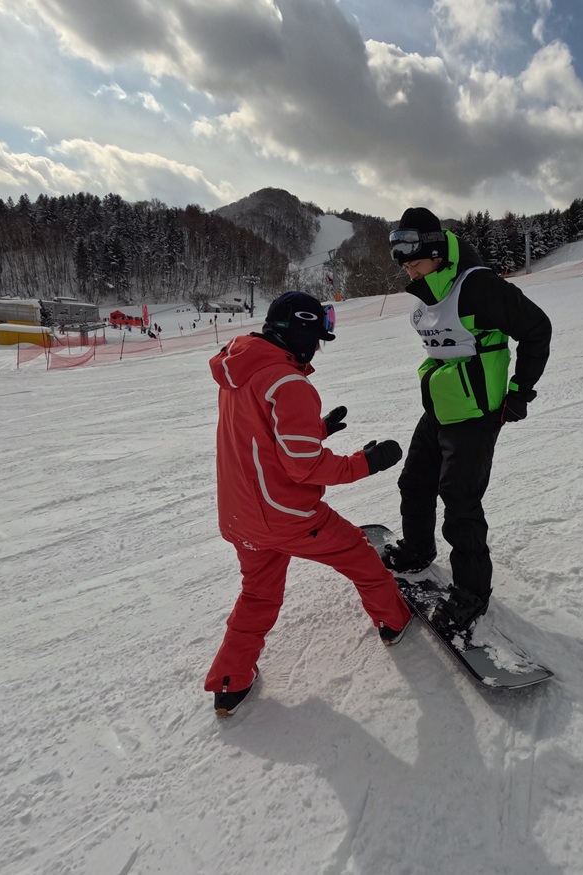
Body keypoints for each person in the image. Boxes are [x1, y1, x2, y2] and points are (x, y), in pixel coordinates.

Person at [204, 291, 412, 716]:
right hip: (288, 517)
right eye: (317, 337)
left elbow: (261, 437)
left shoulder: (240, 371)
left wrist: (316, 427)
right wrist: (366, 463)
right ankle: (394, 620)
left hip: (241, 515)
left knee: (258, 595)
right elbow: (304, 467)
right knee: (359, 554)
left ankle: (230, 682)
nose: (317, 347)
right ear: (299, 333)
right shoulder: (288, 382)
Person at [383, 207, 552, 633]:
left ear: (438, 253)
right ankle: (418, 551)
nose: (408, 269)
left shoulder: (478, 286)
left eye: (413, 259)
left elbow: (537, 328)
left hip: (478, 412)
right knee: (414, 482)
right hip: (441, 406)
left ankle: (471, 594)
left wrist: (520, 393)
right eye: (402, 261)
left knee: (459, 502)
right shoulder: (428, 291)